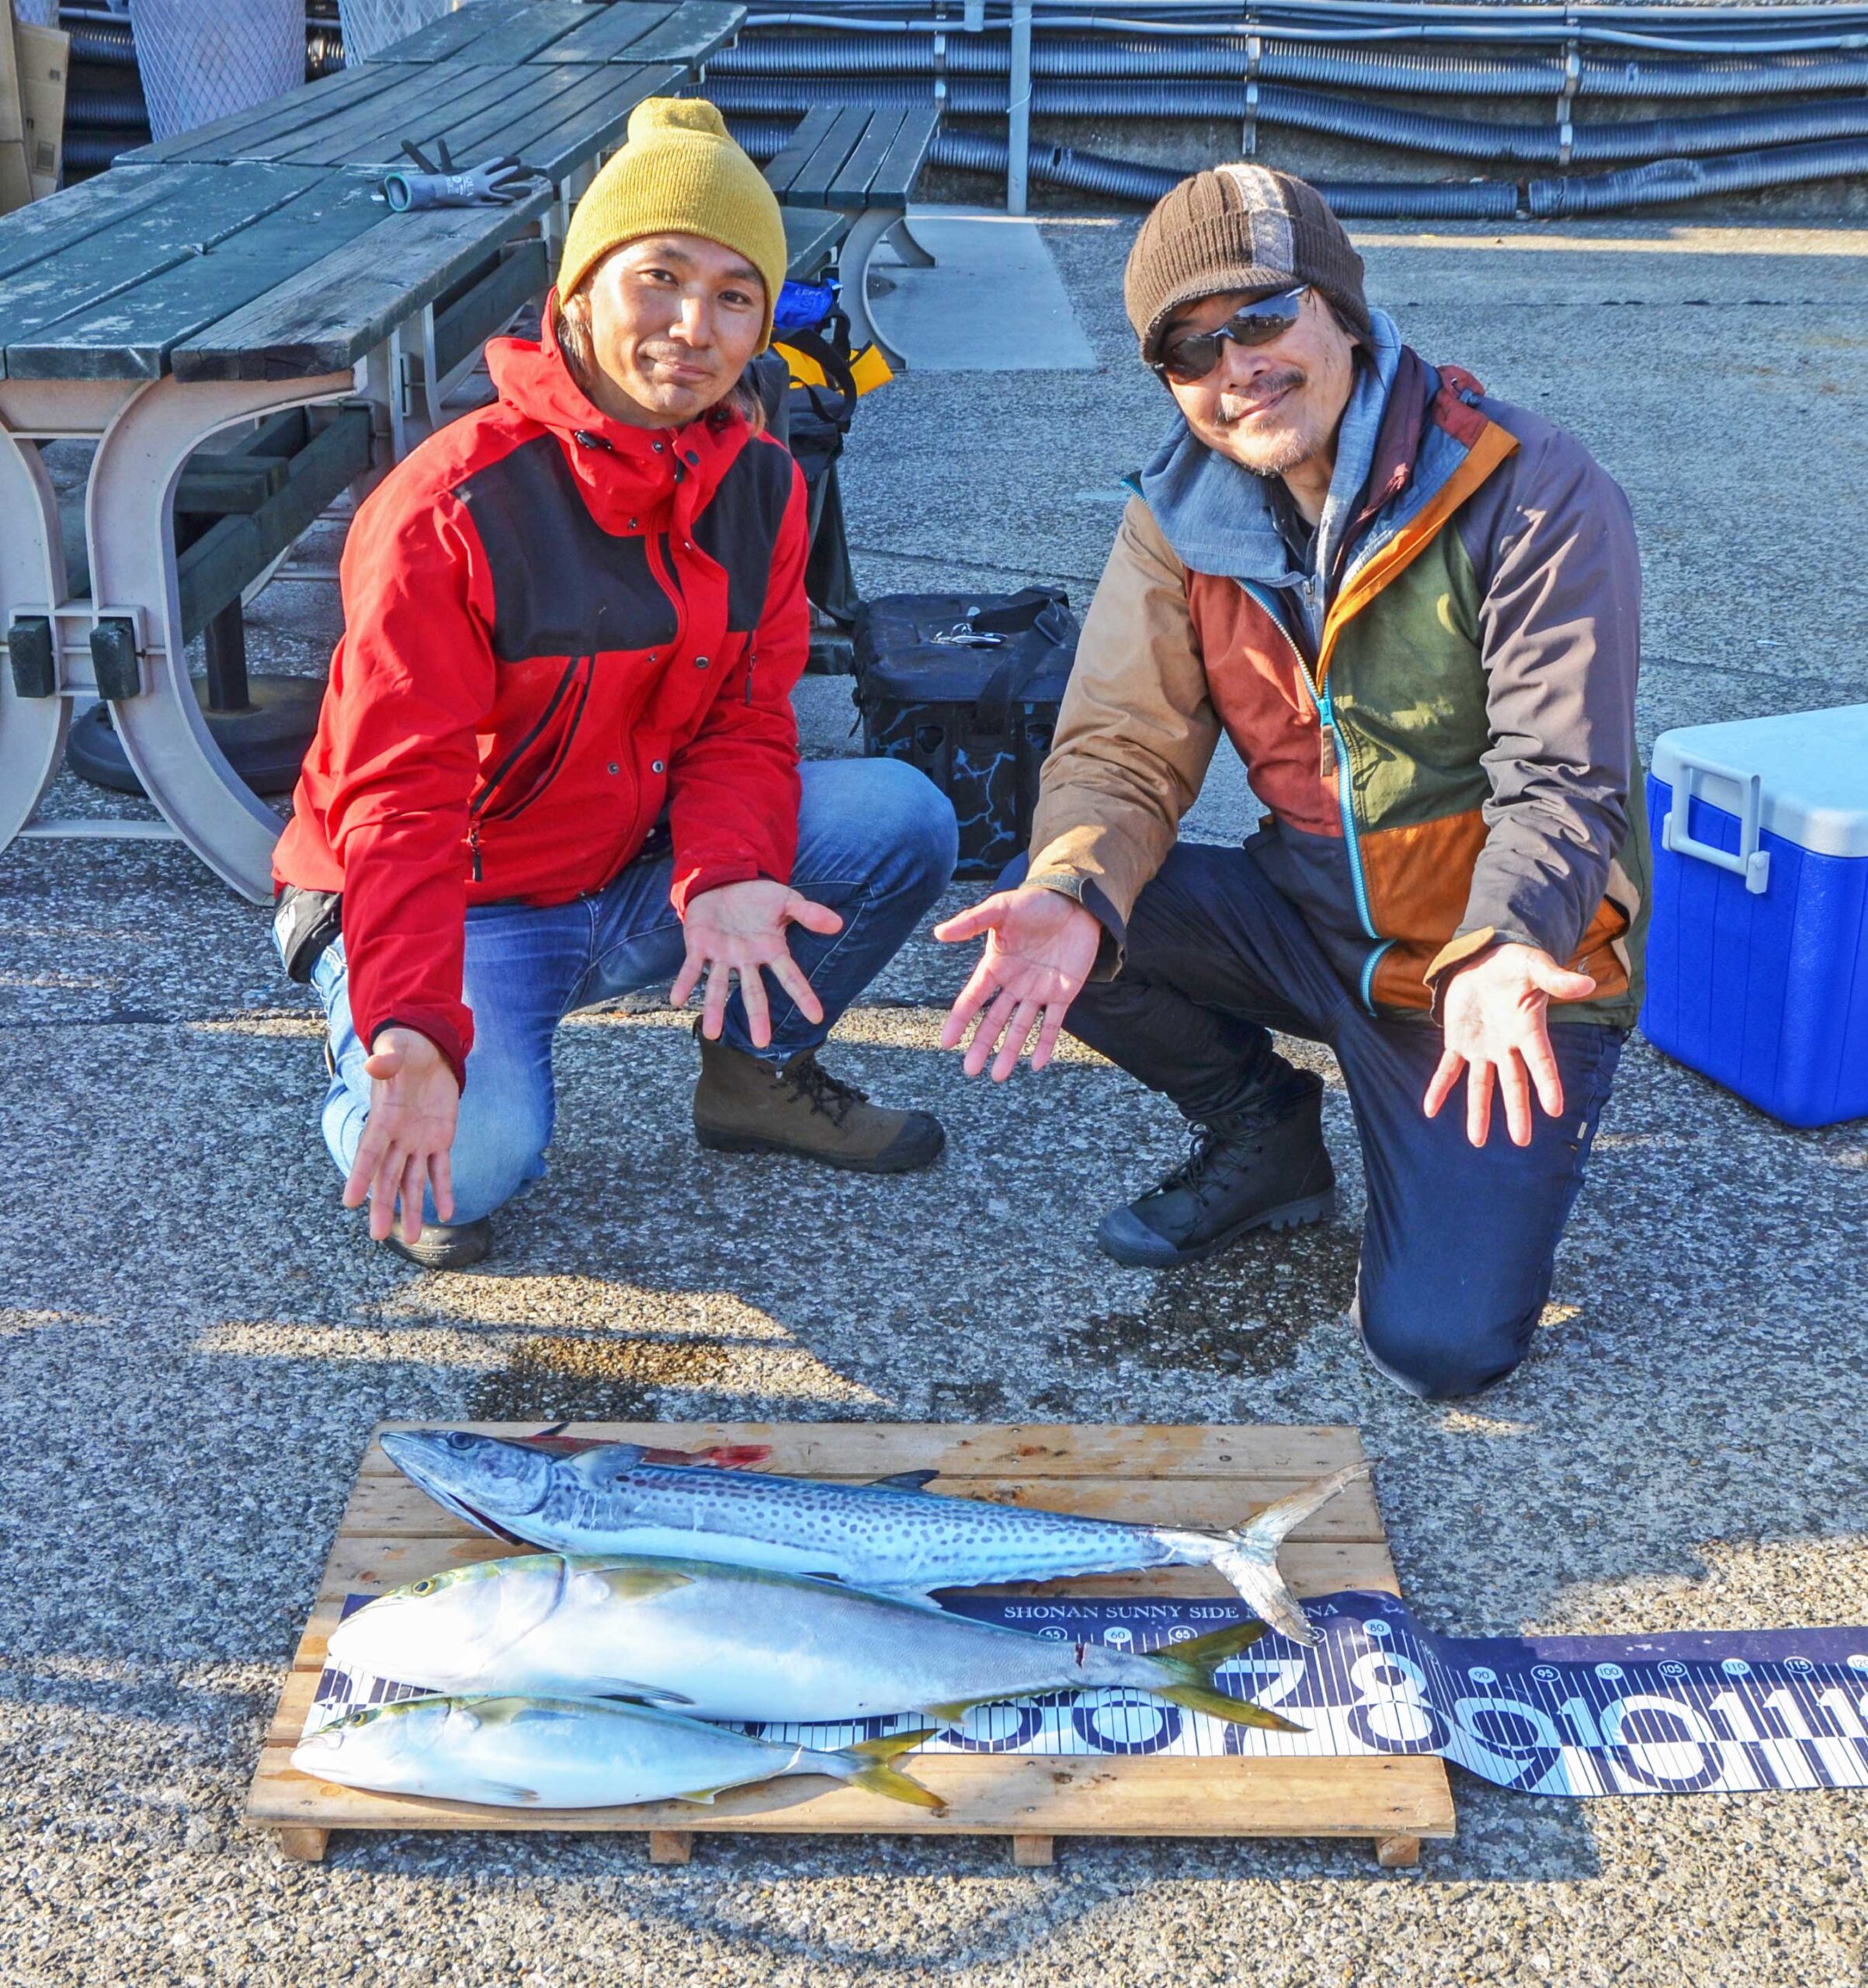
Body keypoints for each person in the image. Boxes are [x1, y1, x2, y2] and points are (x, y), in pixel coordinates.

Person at [937, 164, 1648, 1400]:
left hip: (1492, 968)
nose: (1234, 369)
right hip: (1311, 920)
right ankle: (1265, 1136)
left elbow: (1560, 779)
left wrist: (1501, 944)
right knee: (1053, 911)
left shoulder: (1529, 483)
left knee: (1440, 1349)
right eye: (1186, 348)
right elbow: (1119, 747)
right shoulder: (1173, 515)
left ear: (1339, 310)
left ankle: (1437, 1151)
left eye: (1259, 318)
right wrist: (1070, 884)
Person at [273, 99, 958, 1269]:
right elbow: (401, 803)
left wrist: (730, 873)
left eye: (735, 295)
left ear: (761, 330)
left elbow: (745, 717)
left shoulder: (764, 488)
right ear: (578, 290)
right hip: (467, 900)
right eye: (658, 277)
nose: (693, 326)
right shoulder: (449, 508)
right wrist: (415, 1024)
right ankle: (371, 1061)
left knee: (901, 818)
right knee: (460, 1177)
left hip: (626, 866)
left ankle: (754, 1077)